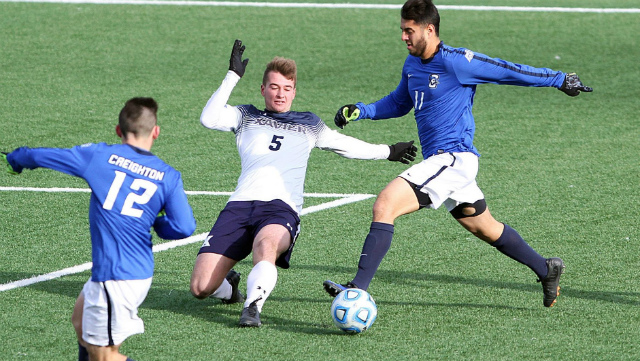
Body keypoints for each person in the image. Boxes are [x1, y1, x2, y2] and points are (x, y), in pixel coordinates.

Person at [322, 0, 593, 308]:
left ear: (429, 29)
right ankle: (547, 269)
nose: (403, 37)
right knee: (486, 228)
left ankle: (357, 288)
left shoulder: (456, 61)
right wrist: (362, 110)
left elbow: (506, 70)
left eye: (408, 31)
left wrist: (559, 79)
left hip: (454, 159)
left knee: (385, 204)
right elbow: (400, 102)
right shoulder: (412, 65)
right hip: (442, 163)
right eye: (401, 31)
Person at [189, 40, 417, 327]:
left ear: (294, 92)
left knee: (266, 245)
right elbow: (208, 118)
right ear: (263, 90)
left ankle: (252, 306)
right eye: (274, 87)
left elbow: (345, 145)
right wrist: (232, 76)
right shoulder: (246, 115)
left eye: (286, 88)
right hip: (238, 206)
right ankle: (231, 289)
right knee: (200, 287)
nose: (280, 94)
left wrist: (388, 151)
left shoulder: (310, 124)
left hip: (280, 209)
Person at [2, 97, 197, 361]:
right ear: (156, 132)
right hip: (134, 270)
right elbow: (184, 227)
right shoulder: (168, 175)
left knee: (104, 356)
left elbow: (44, 156)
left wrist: (17, 158)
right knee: (81, 323)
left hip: (116, 276)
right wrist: (156, 222)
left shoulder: (101, 156)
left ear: (118, 130)